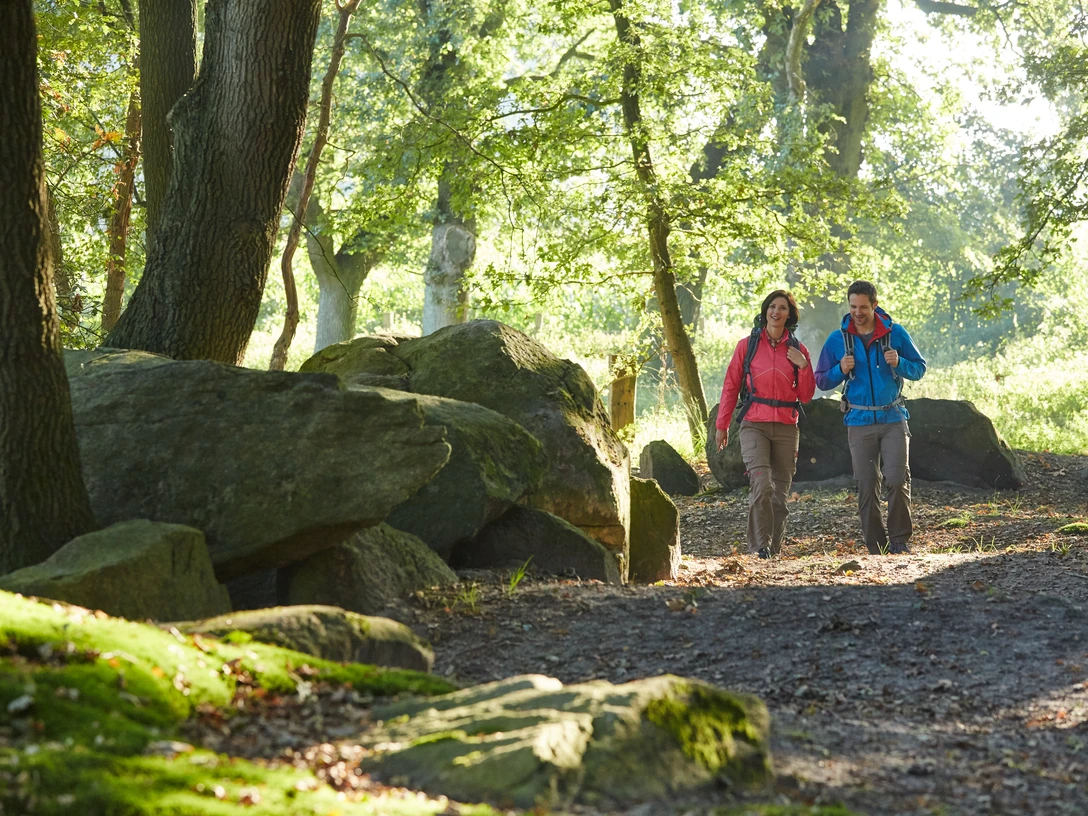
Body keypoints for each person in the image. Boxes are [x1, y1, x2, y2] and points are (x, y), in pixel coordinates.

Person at [814, 280, 927, 555]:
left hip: (892, 418)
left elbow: (920, 368)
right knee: (866, 485)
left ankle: (900, 541)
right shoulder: (837, 340)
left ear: (875, 305)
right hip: (858, 421)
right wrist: (840, 369)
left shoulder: (895, 333)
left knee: (898, 479)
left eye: (863, 307)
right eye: (853, 306)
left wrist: (899, 362)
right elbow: (820, 380)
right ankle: (876, 547)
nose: (858, 312)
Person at [715, 290, 816, 559]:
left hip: (786, 427)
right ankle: (760, 546)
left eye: (783, 308)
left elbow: (805, 396)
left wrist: (804, 367)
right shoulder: (746, 346)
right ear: (765, 311)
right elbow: (730, 387)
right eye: (772, 306)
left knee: (779, 496)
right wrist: (721, 425)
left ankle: (773, 549)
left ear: (789, 315)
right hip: (753, 425)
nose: (776, 312)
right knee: (762, 486)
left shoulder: (798, 350)